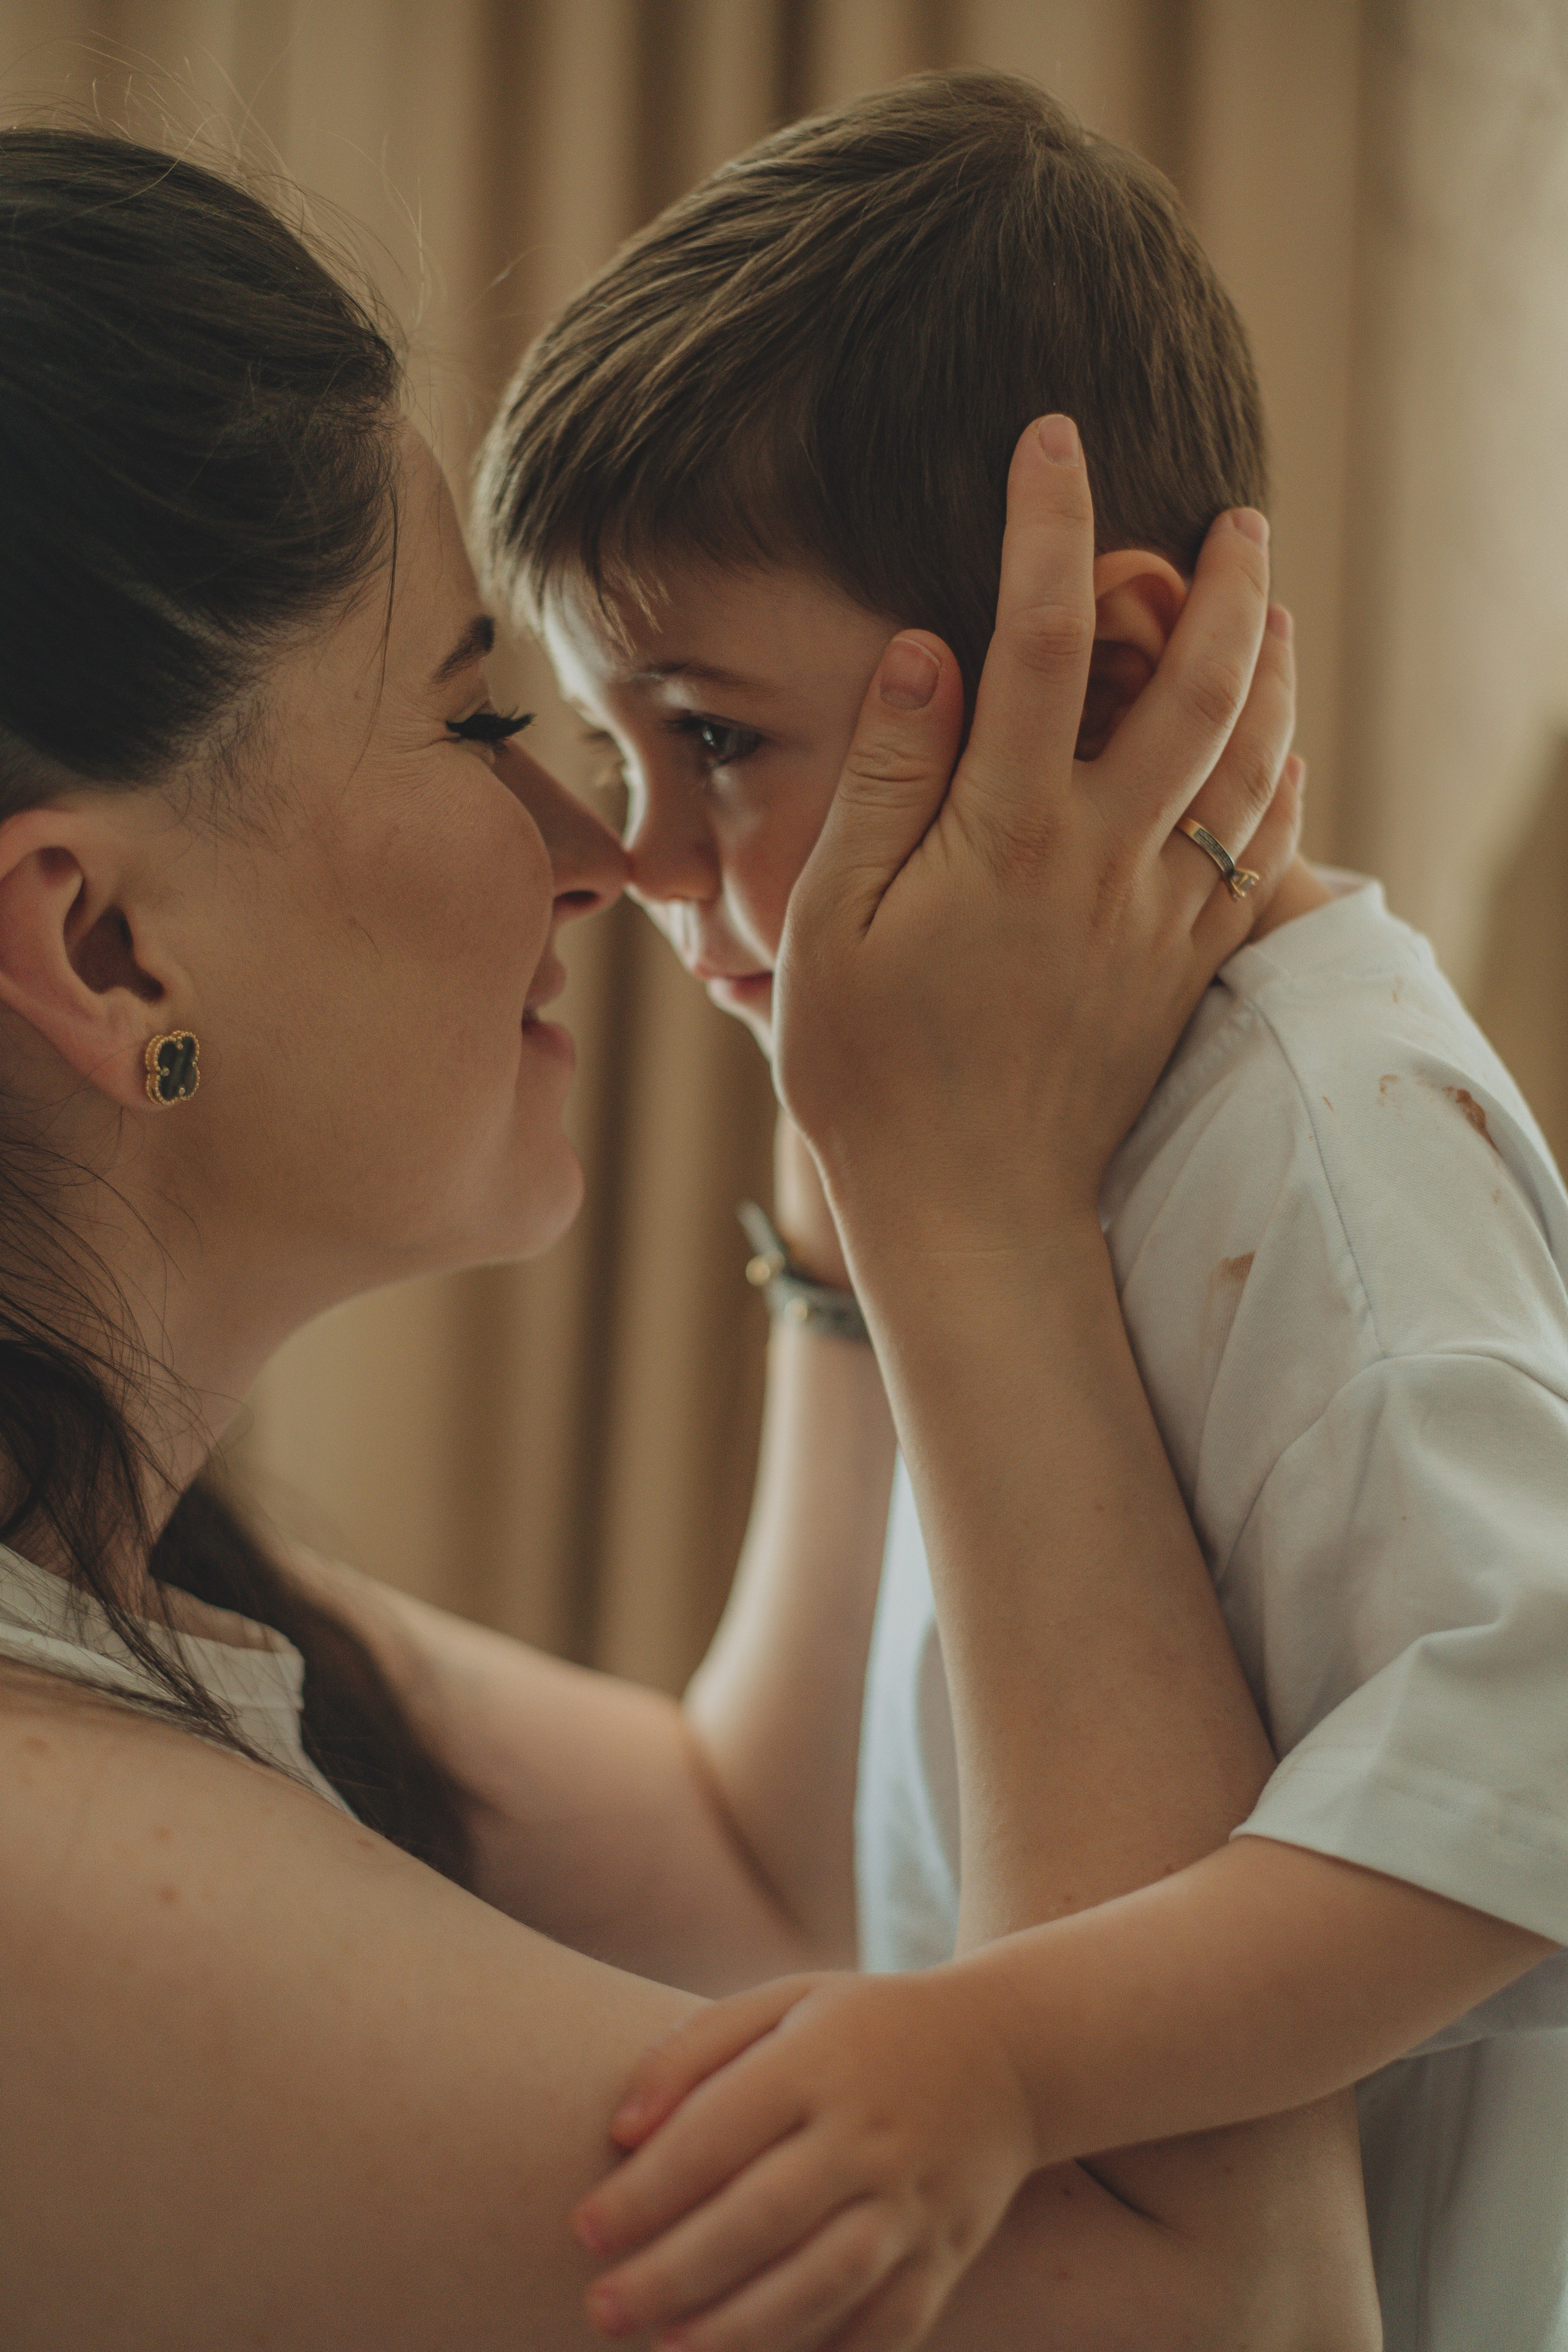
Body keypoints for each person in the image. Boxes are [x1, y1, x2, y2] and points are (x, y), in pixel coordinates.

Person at [0, 126, 1369, 2348]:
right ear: (109, 947)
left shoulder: (127, 1598)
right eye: (474, 718)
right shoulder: (43, 1866)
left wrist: (863, 1155)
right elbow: (1250, 2318)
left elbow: (776, 1878)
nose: (602, 856)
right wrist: (985, 1214)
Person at [479, 68, 1568, 2352]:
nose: (644, 867)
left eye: (713, 738)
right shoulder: (1060, 1133)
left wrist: (999, 2060)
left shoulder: (1334, 1147)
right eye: (615, 753)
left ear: (1117, 664)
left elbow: (1529, 1785)